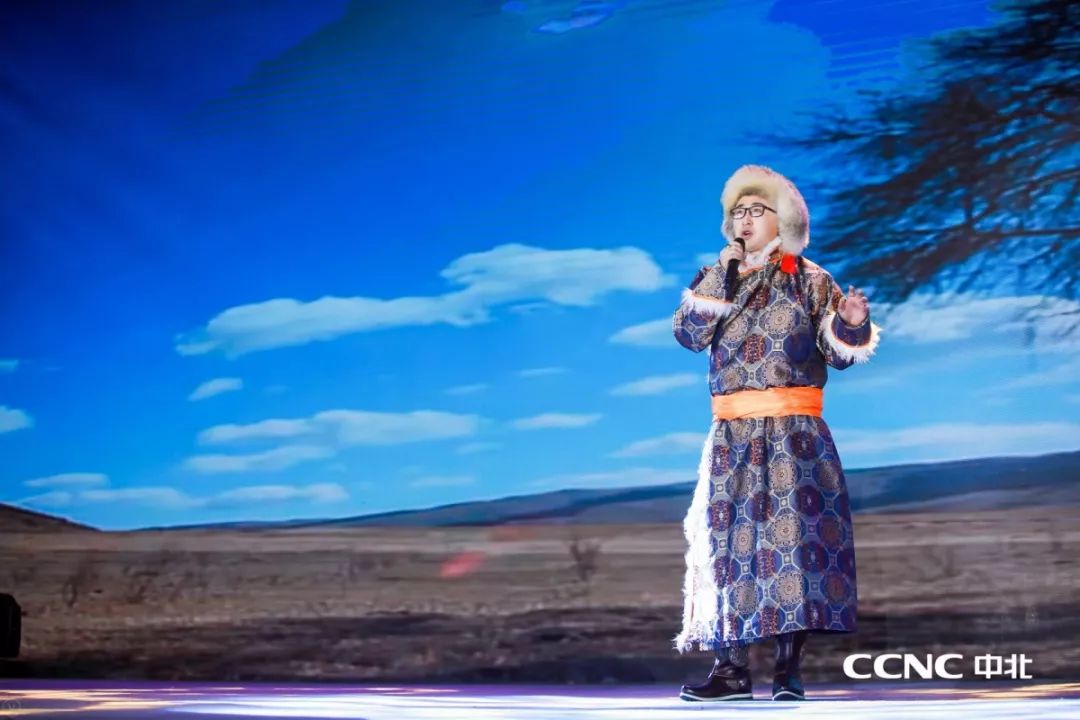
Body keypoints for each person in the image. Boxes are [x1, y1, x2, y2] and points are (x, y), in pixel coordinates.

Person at [671, 164, 881, 702]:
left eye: (756, 210)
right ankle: (730, 670)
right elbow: (689, 335)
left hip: (794, 433)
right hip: (732, 434)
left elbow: (838, 354)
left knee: (793, 547)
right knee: (729, 544)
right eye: (737, 212)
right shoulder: (716, 277)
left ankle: (788, 671)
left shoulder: (812, 280)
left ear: (781, 218)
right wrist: (723, 273)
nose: (744, 220)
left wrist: (851, 322)